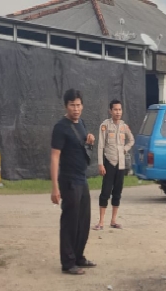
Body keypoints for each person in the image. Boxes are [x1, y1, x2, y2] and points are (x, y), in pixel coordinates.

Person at [51, 88, 97, 275]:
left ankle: (78, 256)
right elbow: (55, 157)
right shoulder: (60, 127)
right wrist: (55, 187)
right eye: (72, 105)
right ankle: (68, 263)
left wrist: (90, 141)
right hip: (69, 180)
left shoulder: (82, 124)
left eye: (78, 105)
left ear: (82, 106)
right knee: (70, 221)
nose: (76, 109)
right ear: (66, 106)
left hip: (82, 178)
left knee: (83, 221)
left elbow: (82, 148)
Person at [94, 99, 134, 230]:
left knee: (117, 191)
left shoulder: (124, 126)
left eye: (120, 109)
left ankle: (113, 220)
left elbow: (131, 140)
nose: (118, 112)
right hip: (109, 162)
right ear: (110, 111)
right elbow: (100, 146)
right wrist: (101, 164)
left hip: (120, 163)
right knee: (105, 191)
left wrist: (125, 149)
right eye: (115, 109)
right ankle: (101, 222)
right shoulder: (105, 125)